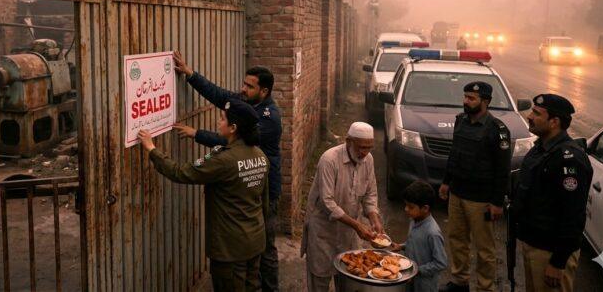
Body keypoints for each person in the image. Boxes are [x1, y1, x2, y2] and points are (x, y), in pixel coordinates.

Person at [171, 51, 283, 291]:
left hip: (263, 190)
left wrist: (196, 133)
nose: (242, 89)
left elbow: (234, 139)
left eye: (249, 86)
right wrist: (191, 74)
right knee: (253, 249)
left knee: (265, 248)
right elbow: (220, 95)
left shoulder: (269, 118)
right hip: (246, 185)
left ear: (264, 91)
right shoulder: (247, 103)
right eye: (243, 83)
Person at [139, 98, 269, 292]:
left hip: (229, 249)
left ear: (233, 128)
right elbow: (263, 203)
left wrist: (152, 149)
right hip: (254, 241)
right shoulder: (260, 155)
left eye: (222, 119)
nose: (218, 122)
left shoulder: (225, 160)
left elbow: (181, 172)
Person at [511, 94, 592, 292]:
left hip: (550, 252)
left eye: (537, 113)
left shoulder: (569, 159)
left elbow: (573, 215)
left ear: (554, 122)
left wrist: (558, 262)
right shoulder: (541, 148)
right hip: (534, 244)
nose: (529, 116)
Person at [439, 81, 511, 292]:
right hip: (458, 193)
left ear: (485, 102)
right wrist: (445, 182)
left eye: (471, 98)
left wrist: (497, 202)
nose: (466, 101)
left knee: (484, 249)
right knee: (457, 241)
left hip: (480, 200)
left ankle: (485, 287)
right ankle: (459, 281)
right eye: (465, 97)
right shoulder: (460, 121)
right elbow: (454, 154)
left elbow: (502, 170)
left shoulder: (497, 130)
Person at [301, 122, 383, 291]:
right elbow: (327, 202)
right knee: (320, 280)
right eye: (361, 147)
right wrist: (357, 225)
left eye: (369, 148)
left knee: (348, 281)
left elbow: (370, 195)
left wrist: (374, 219)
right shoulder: (329, 159)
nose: (364, 153)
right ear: (348, 141)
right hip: (323, 232)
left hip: (348, 235)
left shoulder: (368, 160)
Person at [390, 181, 448, 292]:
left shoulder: (433, 233)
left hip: (425, 285)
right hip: (410, 279)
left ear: (425, 208)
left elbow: (441, 262)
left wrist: (417, 270)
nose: (406, 209)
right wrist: (401, 246)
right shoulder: (414, 220)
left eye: (410, 207)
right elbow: (415, 243)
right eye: (406, 205)